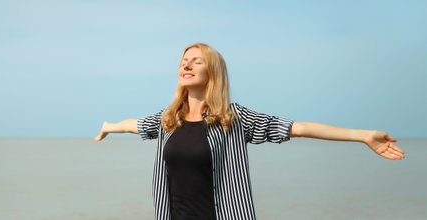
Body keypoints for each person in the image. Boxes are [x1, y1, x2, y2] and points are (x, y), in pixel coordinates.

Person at [94, 43, 405, 220]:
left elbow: (296, 128)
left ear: (211, 72)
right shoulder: (168, 121)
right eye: (183, 61)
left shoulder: (233, 118)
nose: (186, 66)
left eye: (196, 62)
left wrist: (362, 135)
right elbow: (133, 125)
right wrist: (109, 126)